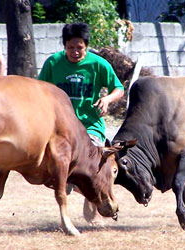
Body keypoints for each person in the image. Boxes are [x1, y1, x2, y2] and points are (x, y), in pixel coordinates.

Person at [38, 22, 124, 225]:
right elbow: (40, 90)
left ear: (86, 45)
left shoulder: (98, 64)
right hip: (60, 128)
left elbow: (118, 88)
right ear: (64, 46)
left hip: (90, 126)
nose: (75, 52)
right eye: (70, 48)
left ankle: (92, 202)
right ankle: (79, 193)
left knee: (90, 167)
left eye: (79, 48)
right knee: (61, 173)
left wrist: (107, 100)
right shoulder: (53, 63)